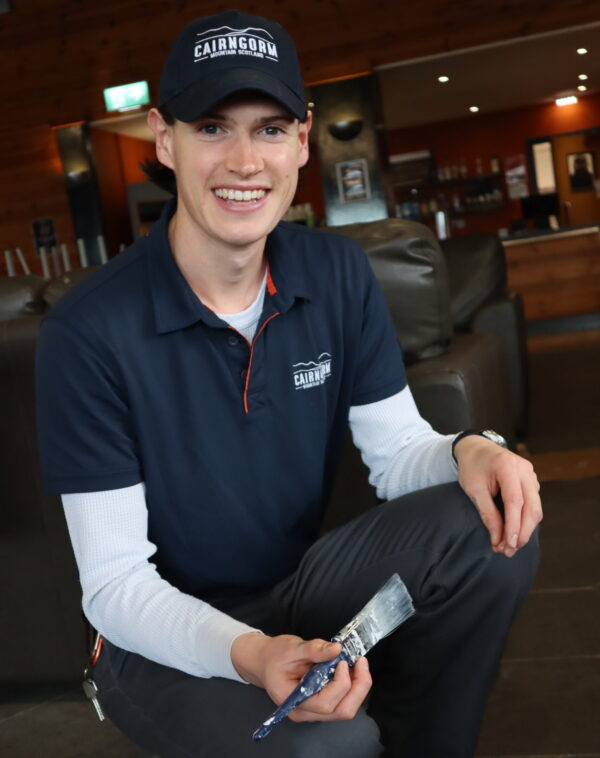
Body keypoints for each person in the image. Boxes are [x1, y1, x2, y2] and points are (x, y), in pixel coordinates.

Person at [36, 10, 542, 757]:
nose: (246, 160)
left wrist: (470, 449)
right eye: (213, 127)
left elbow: (398, 452)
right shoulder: (86, 330)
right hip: (155, 637)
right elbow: (116, 587)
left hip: (300, 586)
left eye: (270, 129)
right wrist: (254, 653)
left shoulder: (335, 274)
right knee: (329, 747)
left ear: (303, 140)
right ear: (163, 138)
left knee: (486, 523)